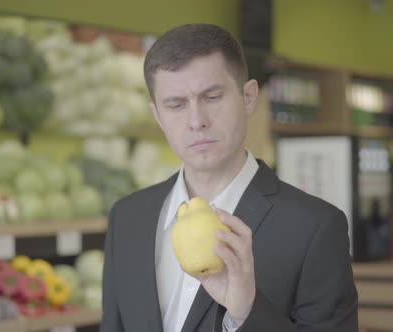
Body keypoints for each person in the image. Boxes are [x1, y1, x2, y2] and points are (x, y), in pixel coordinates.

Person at [100, 23, 358, 332]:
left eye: (212, 97)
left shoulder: (316, 227)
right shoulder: (127, 218)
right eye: (176, 104)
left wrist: (246, 311)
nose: (197, 121)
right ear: (158, 115)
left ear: (248, 96)